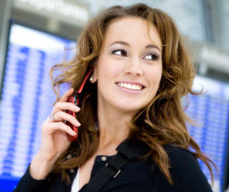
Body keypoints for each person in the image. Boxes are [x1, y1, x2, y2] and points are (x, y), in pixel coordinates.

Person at [14, 3, 214, 192]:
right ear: (93, 68)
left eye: (151, 56)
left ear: (162, 75)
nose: (135, 69)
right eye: (120, 52)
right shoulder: (67, 156)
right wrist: (44, 161)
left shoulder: (172, 164)